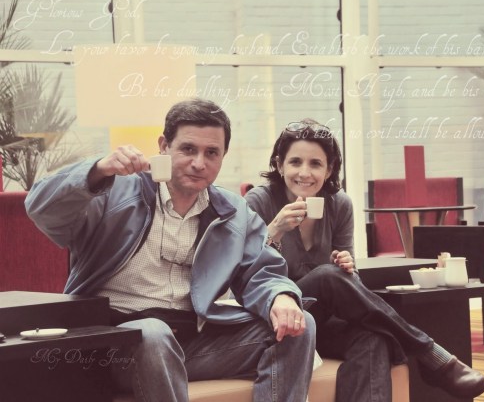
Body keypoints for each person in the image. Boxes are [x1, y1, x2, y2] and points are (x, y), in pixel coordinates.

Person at [25, 99, 316, 402]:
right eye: (188, 149)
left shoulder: (233, 212)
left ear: (223, 156)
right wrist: (97, 170)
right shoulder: (115, 191)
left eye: (211, 153)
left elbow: (261, 269)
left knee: (299, 325)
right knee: (152, 332)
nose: (199, 163)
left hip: (191, 345)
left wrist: (279, 296)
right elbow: (40, 208)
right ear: (164, 146)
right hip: (114, 348)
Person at [245, 119, 484, 402]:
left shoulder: (339, 204)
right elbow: (244, 274)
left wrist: (347, 266)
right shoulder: (258, 202)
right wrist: (274, 229)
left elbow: (350, 287)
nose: (305, 173)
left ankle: (430, 356)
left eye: (316, 164)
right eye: (295, 162)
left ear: (329, 169)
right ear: (279, 164)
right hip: (275, 318)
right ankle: (429, 353)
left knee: (373, 338)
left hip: (320, 321)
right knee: (327, 277)